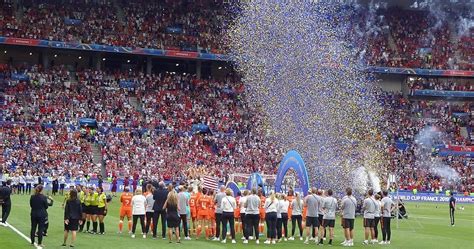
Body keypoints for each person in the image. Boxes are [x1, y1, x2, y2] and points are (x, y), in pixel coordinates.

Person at [30, 185, 50, 249]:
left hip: (34, 213)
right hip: (41, 214)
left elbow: (31, 205)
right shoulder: (43, 197)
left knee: (33, 227)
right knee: (40, 229)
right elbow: (46, 206)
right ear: (41, 190)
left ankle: (32, 241)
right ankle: (39, 243)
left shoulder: (32, 196)